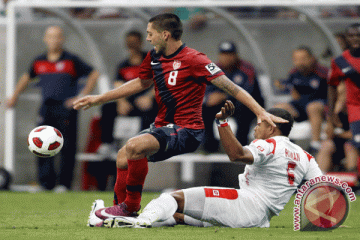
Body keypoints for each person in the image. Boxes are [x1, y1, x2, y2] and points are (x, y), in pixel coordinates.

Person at [74, 13, 286, 221]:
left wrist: (260, 111)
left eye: (150, 33)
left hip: (188, 129)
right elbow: (141, 83)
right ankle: (119, 214)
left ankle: (129, 208)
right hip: (163, 126)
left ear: (165, 34)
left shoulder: (195, 59)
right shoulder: (154, 56)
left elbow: (231, 87)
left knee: (134, 147)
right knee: (123, 156)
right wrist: (100, 98)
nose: (147, 38)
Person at [89, 101, 322, 228]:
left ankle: (134, 224)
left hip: (246, 206)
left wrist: (222, 123)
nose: (255, 127)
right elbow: (320, 188)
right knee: (177, 214)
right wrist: (324, 220)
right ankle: (142, 220)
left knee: (170, 197)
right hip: (262, 219)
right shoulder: (305, 156)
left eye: (260, 123)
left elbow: (237, 155)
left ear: (271, 127)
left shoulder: (270, 144)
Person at [7, 26, 99, 192]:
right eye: (50, 36)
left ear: (62, 39)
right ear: (45, 39)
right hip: (46, 108)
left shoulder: (71, 60)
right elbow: (27, 77)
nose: (54, 40)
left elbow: (94, 73)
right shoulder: (39, 60)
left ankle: (64, 184)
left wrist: (81, 96)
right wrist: (14, 95)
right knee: (41, 143)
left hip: (66, 109)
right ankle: (45, 183)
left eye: (57, 37)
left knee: (67, 146)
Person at [98, 30, 157, 159]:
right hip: (129, 103)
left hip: (147, 101)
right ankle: (107, 144)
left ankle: (144, 144)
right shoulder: (123, 65)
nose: (132, 46)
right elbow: (118, 85)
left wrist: (148, 97)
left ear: (141, 43)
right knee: (107, 108)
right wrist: (121, 102)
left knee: (153, 108)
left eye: (134, 43)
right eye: (129, 43)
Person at [202, 41, 264, 153]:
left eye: (230, 54)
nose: (226, 58)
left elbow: (248, 93)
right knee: (205, 108)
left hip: (247, 106)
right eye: (223, 54)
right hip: (226, 106)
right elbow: (207, 91)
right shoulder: (214, 69)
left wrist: (224, 96)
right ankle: (209, 145)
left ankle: (240, 146)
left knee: (242, 108)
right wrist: (210, 97)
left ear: (236, 55)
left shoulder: (247, 68)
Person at [274, 46, 328, 154]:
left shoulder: (323, 73)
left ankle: (315, 145)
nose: (300, 63)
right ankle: (281, 143)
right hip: (300, 108)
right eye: (296, 59)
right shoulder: (294, 73)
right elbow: (288, 87)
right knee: (278, 108)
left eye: (303, 59)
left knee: (312, 107)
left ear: (311, 58)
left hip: (319, 108)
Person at [327, 23, 360, 173]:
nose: (356, 38)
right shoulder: (340, 61)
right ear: (346, 38)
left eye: (358, 35)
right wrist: (332, 113)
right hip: (355, 107)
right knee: (357, 142)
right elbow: (332, 86)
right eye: (352, 35)